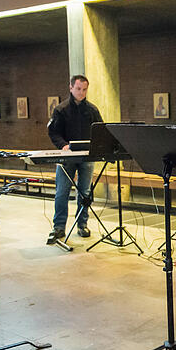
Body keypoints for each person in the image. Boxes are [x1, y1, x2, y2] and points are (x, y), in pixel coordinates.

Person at [46, 75, 103, 244]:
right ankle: (59, 227)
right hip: (67, 156)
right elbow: (53, 132)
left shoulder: (92, 110)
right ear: (71, 88)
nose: (81, 92)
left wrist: (98, 147)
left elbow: (100, 130)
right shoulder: (61, 109)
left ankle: (82, 224)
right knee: (62, 192)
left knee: (84, 192)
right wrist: (63, 145)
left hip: (87, 156)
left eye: (84, 89)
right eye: (78, 89)